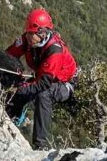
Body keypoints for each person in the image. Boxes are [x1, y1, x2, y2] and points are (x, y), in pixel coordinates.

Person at [6, 8, 78, 149]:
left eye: (31, 34)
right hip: (43, 77)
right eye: (27, 33)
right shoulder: (28, 40)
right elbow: (8, 55)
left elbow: (43, 84)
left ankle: (41, 145)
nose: (27, 36)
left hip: (65, 84)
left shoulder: (54, 50)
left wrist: (20, 89)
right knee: (18, 86)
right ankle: (10, 119)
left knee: (43, 95)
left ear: (42, 33)